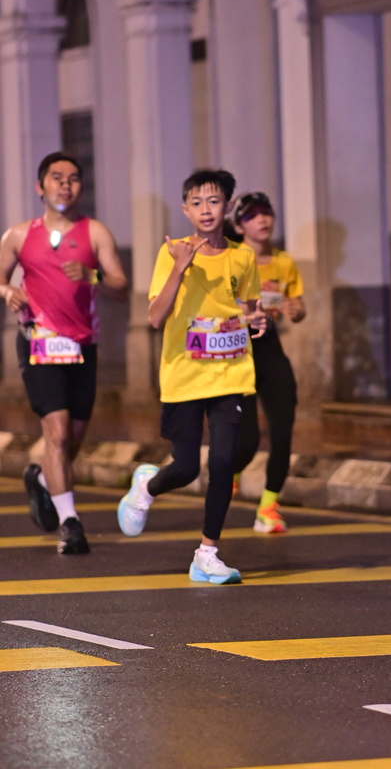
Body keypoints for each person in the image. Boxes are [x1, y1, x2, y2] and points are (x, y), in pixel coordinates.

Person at [117, 169, 266, 584]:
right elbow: (154, 317)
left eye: (213, 201)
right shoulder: (172, 253)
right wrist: (180, 268)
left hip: (231, 373)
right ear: (185, 209)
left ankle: (207, 553)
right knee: (185, 468)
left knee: (222, 462)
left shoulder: (242, 257)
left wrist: (260, 320)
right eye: (197, 202)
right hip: (183, 374)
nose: (205, 209)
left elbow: (251, 309)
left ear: (227, 206)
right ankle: (146, 487)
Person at [0, 151, 128, 554]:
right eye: (57, 177)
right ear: (40, 186)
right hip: (39, 341)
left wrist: (93, 275)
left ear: (80, 187)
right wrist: (7, 290)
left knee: (72, 437)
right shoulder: (19, 234)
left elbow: (121, 285)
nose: (65, 185)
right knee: (55, 432)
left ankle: (42, 478)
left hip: (82, 344)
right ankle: (70, 523)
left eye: (73, 178)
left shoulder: (95, 232)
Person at [230, 191, 306, 533]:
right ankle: (230, 471)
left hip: (270, 349)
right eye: (251, 215)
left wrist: (294, 309)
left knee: (283, 428)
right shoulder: (231, 259)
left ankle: (268, 507)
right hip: (237, 351)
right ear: (239, 226)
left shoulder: (283, 261)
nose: (261, 220)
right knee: (246, 441)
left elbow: (298, 307)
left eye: (266, 213)